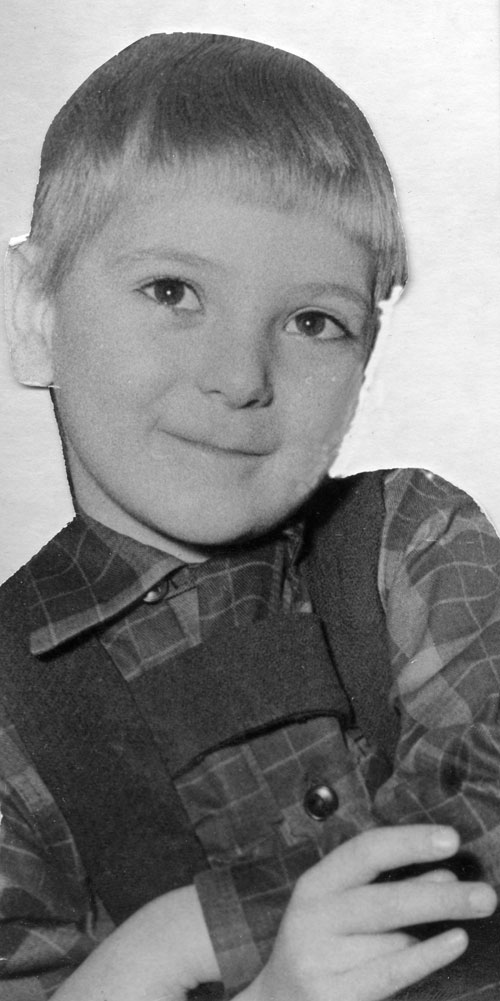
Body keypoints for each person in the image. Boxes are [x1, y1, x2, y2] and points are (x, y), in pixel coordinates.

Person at [2, 31, 499, 1001]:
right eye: (173, 291)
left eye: (312, 321)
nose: (239, 377)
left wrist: (197, 932)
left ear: (367, 356)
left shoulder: (411, 542)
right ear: (36, 312)